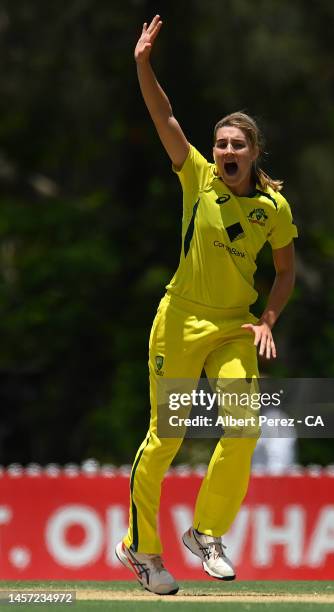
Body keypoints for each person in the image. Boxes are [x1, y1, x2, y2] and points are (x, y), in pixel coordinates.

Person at [115, 15, 298, 595]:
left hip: (233, 329)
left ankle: (206, 533)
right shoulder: (196, 176)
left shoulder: (273, 207)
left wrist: (268, 319)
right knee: (165, 439)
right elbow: (165, 117)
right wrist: (143, 63)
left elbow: (287, 270)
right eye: (220, 143)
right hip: (179, 321)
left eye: (236, 145)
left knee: (242, 430)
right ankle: (141, 551)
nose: (225, 151)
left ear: (253, 152)